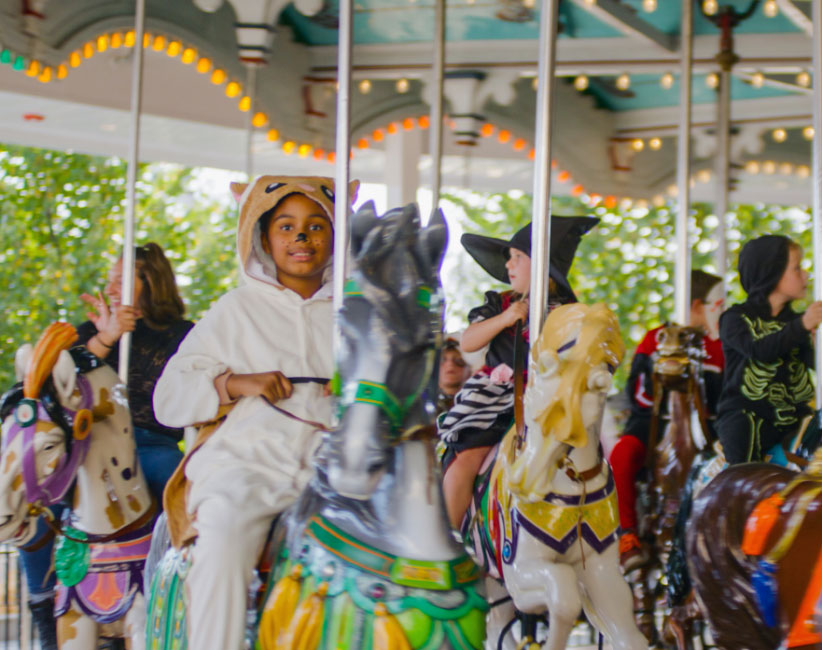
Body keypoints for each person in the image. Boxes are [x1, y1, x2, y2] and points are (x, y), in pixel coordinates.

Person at [153, 176, 356, 650]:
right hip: (252, 459)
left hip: (339, 465)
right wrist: (234, 383)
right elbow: (169, 398)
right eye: (286, 227)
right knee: (223, 530)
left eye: (315, 227)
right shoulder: (235, 309)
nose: (301, 238)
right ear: (263, 239)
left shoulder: (357, 312)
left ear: (336, 237)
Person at [439, 217, 599, 530]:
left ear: (542, 266)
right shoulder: (500, 303)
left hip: (548, 398)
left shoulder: (569, 314)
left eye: (518, 257)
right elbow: (469, 341)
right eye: (509, 256)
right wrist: (506, 318)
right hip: (496, 397)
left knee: (586, 457)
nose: (509, 264)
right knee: (469, 456)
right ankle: (449, 534)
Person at [609, 270, 725, 573]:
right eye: (718, 304)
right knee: (621, 455)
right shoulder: (655, 339)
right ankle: (628, 534)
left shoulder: (719, 346)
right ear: (698, 305)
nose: (722, 311)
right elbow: (637, 395)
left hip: (706, 426)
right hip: (655, 423)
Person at [76, 242, 194, 506]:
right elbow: (65, 380)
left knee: (180, 487)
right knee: (41, 494)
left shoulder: (182, 334)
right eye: (109, 281)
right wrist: (107, 337)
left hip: (151, 443)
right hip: (92, 442)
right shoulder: (93, 331)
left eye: (120, 281)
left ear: (150, 282)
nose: (109, 290)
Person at [716, 234, 822, 465]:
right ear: (771, 273)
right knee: (741, 460)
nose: (806, 274)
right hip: (748, 414)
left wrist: (817, 344)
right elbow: (759, 350)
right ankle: (734, 497)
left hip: (795, 416)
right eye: (797, 268)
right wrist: (802, 325)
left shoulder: (797, 322)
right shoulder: (735, 319)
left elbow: (815, 364)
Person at [436, 337, 473, 416]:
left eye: (459, 361)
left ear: (469, 370)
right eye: (442, 360)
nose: (450, 364)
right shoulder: (424, 406)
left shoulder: (477, 402)